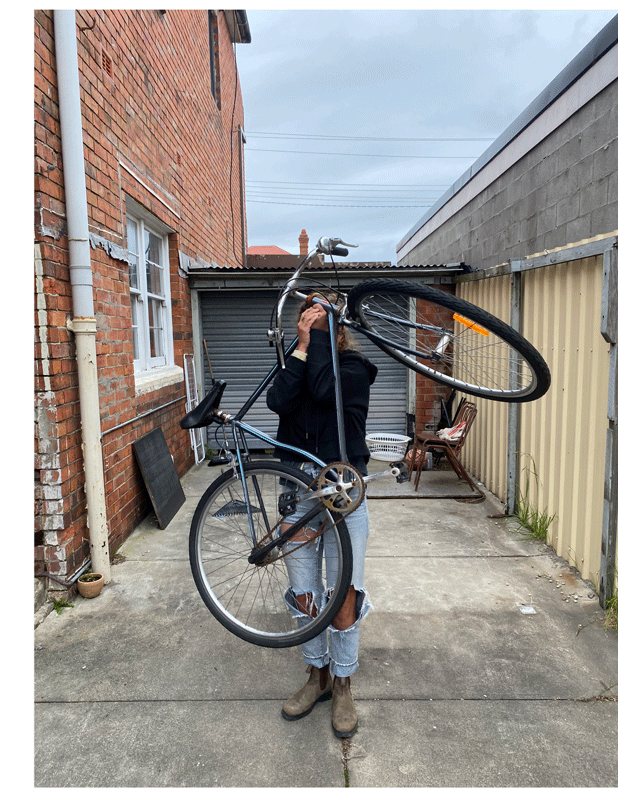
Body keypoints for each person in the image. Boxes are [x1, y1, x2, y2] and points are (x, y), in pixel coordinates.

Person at [266, 294, 377, 738]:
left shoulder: (355, 369)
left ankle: (343, 682)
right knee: (305, 594)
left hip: (343, 491)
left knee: (343, 594)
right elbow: (278, 400)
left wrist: (319, 342)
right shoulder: (296, 362)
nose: (311, 324)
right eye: (306, 319)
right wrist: (300, 347)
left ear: (338, 328)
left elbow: (323, 390)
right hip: (297, 491)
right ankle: (318, 676)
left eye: (321, 319)